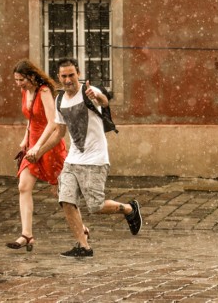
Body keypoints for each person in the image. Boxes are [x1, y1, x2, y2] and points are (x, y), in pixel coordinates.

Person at [29, 57, 142, 258]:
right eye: (64, 76)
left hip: (96, 159)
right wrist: (39, 151)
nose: (68, 80)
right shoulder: (60, 100)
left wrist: (97, 97)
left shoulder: (89, 91)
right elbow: (59, 133)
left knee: (95, 206)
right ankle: (83, 246)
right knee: (66, 200)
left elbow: (104, 100)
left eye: (71, 75)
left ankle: (128, 209)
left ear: (78, 74)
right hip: (73, 160)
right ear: (59, 77)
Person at [6, 59, 68, 252]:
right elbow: (30, 119)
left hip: (48, 145)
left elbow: (52, 123)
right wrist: (26, 139)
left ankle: (81, 229)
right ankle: (27, 235)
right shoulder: (25, 92)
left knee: (63, 194)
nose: (19, 84)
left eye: (21, 80)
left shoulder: (44, 91)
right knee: (23, 186)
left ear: (32, 76)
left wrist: (39, 146)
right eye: (16, 80)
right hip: (32, 145)